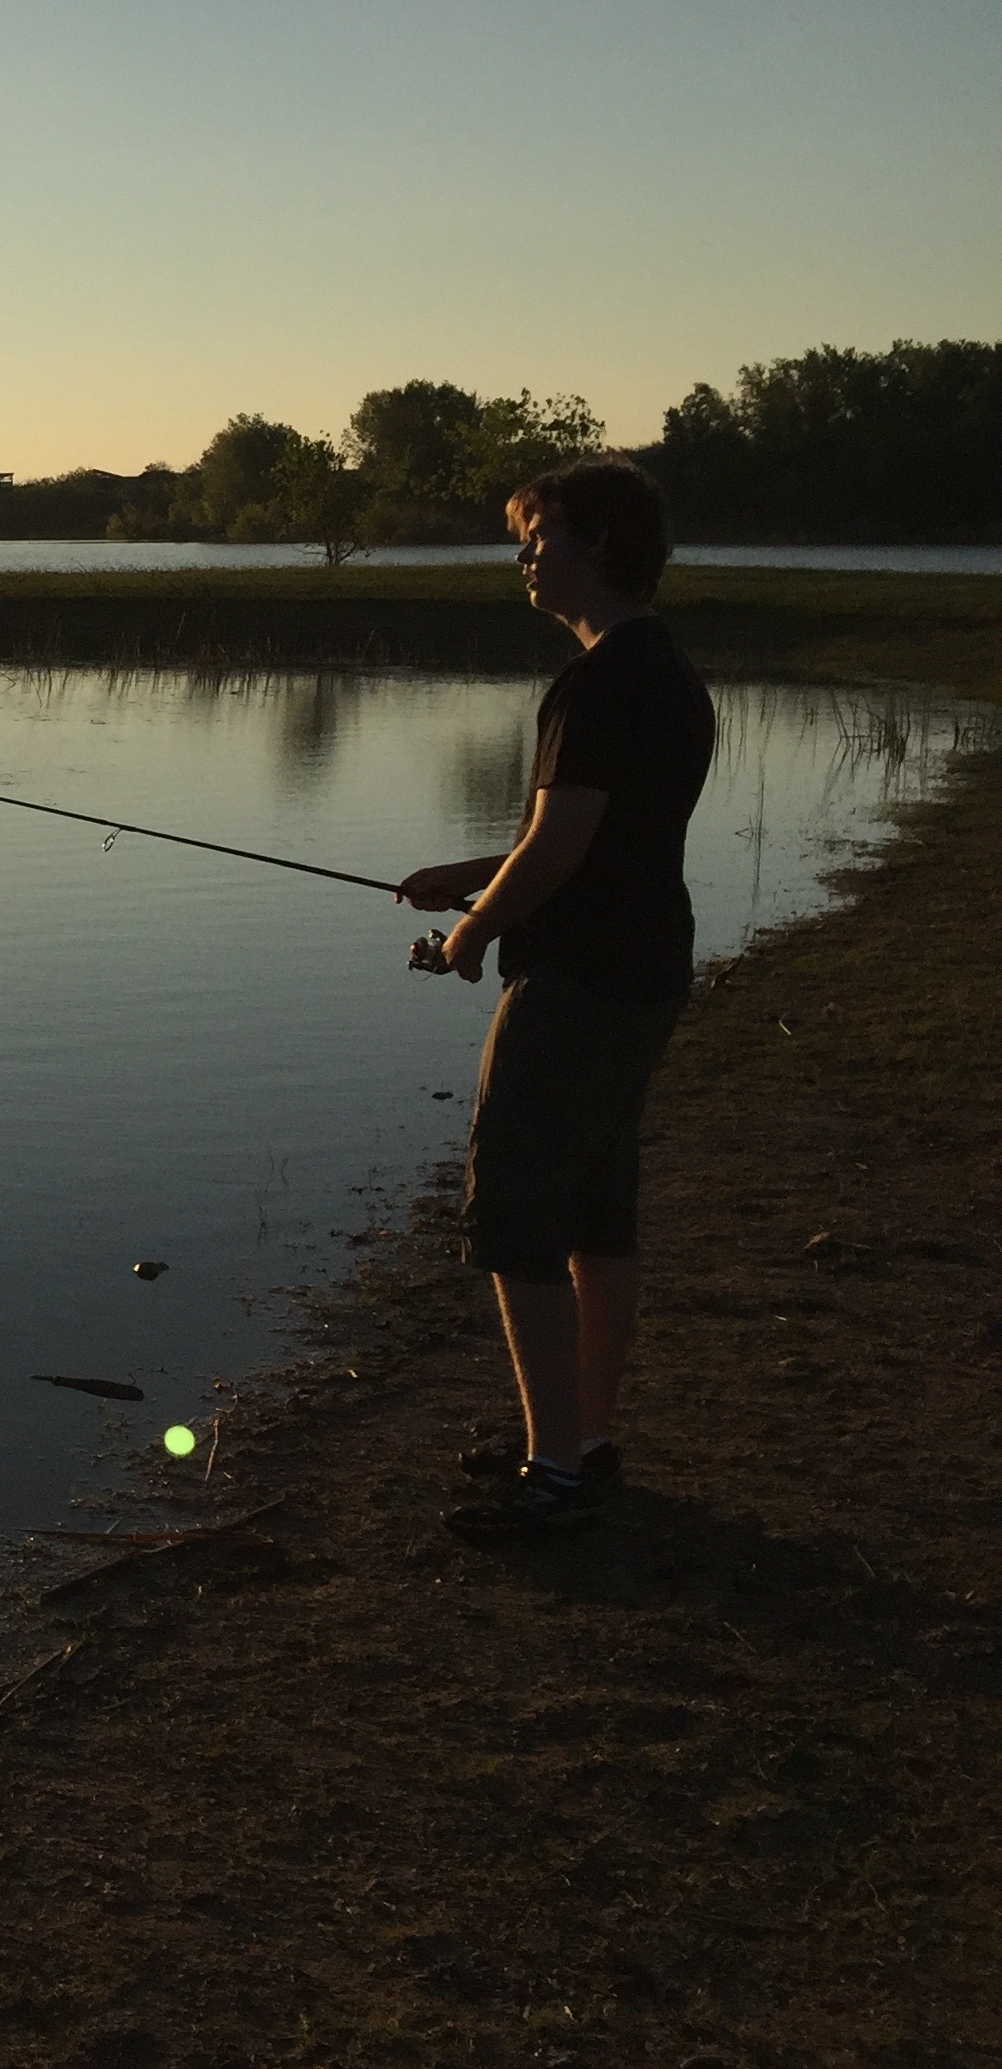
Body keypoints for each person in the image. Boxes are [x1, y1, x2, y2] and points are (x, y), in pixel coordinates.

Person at [396, 454, 714, 1543]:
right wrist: (476, 876)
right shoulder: (664, 669)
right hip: (645, 967)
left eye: (542, 536)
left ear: (601, 548)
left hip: (576, 980)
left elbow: (567, 843)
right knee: (598, 1212)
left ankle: (556, 1475)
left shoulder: (596, 680)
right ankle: (585, 1441)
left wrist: (469, 935)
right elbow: (602, 835)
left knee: (519, 1214)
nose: (525, 557)